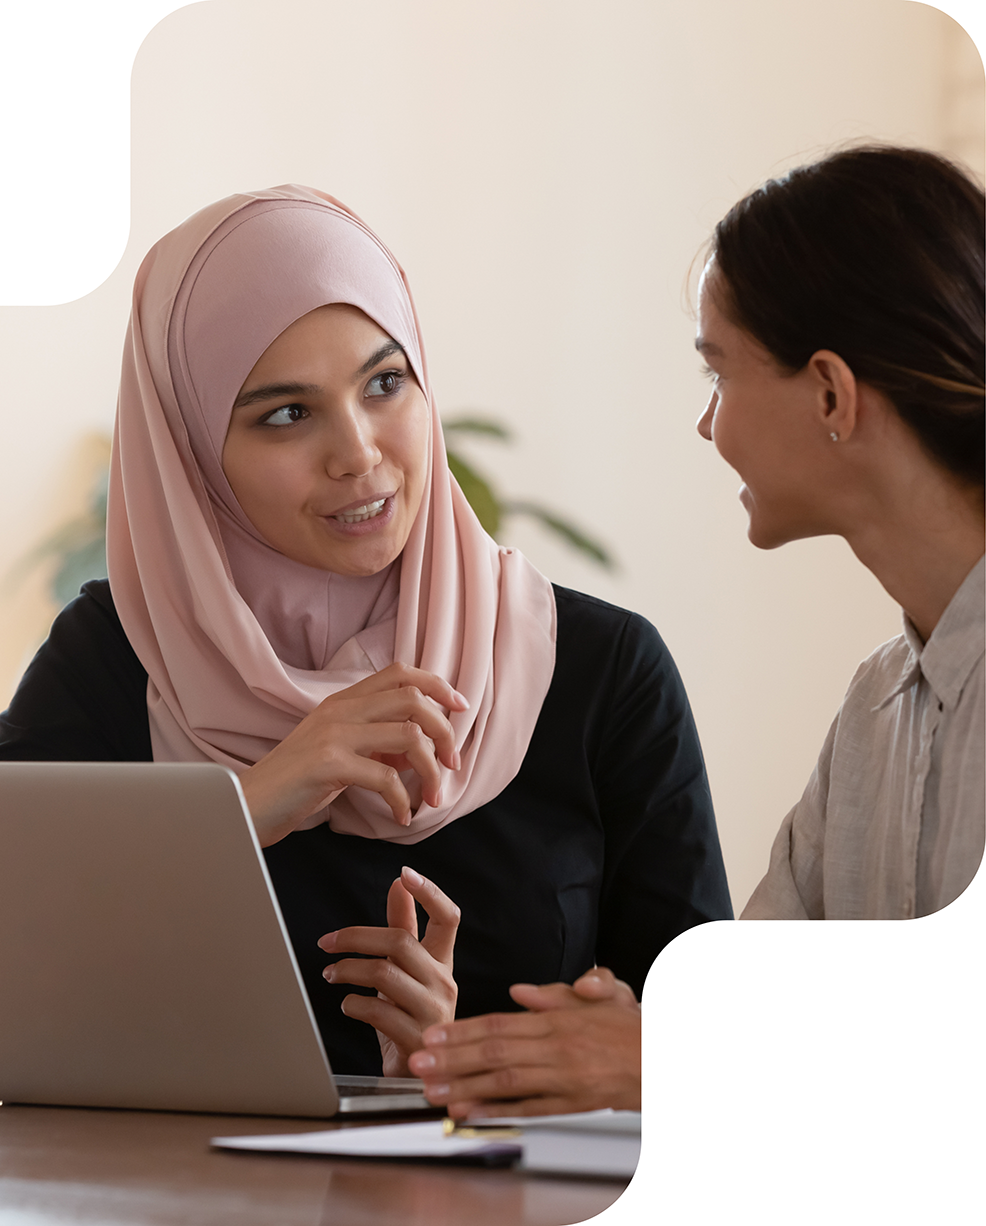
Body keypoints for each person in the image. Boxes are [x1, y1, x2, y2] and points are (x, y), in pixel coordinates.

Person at [0, 185, 731, 1077]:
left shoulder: (597, 670)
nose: (358, 452)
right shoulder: (126, 658)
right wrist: (243, 810)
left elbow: (709, 1057)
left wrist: (455, 1069)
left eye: (386, 383)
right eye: (286, 414)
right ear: (192, 453)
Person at [408, 144, 984, 1117]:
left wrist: (673, 1058)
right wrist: (615, 1033)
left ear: (833, 395)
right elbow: (760, 1012)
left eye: (720, 371)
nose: (709, 427)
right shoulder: (876, 707)